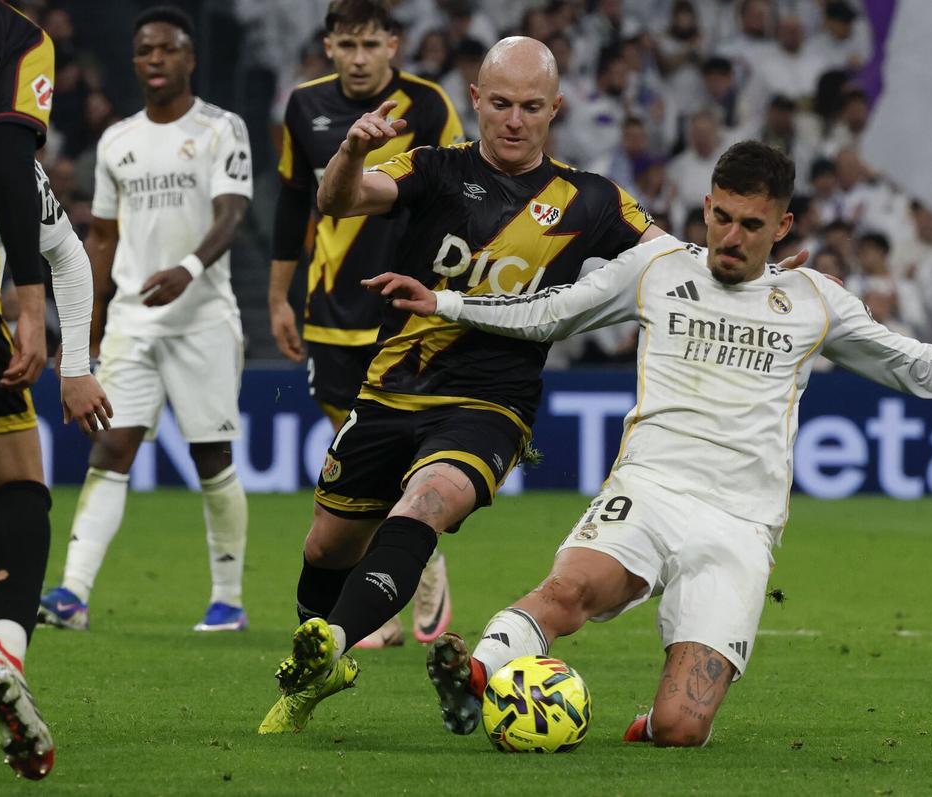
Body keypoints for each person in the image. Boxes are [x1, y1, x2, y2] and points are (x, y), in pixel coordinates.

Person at [368, 140, 932, 746]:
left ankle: (640, 725)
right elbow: (549, 312)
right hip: (651, 487)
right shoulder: (656, 268)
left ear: (783, 226)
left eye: (751, 225)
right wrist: (446, 300)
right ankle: (473, 675)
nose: (731, 237)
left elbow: (919, 367)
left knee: (682, 729)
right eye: (721, 217)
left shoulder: (813, 301)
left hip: (739, 522)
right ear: (704, 207)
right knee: (570, 589)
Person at [257, 35, 663, 734]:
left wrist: (771, 276)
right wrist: (352, 150)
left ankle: (333, 643)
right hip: (393, 386)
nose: (513, 119)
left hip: (490, 402)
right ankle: (317, 664)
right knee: (326, 546)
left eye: (531, 106)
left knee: (425, 502)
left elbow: (674, 258)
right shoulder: (434, 169)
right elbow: (339, 199)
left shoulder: (590, 200)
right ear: (475, 100)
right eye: (499, 102)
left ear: (555, 108)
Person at [38, 5, 253, 634]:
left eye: (166, 49)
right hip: (134, 316)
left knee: (211, 454)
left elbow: (233, 211)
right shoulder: (118, 139)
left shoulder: (222, 128)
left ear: (189, 57)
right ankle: (72, 594)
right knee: (112, 447)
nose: (153, 60)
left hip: (203, 318)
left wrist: (188, 267)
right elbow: (101, 237)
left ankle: (228, 600)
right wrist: (92, 323)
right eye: (143, 51)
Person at [268, 0, 464, 650]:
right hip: (329, 309)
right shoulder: (304, 107)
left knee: (398, 457)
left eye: (370, 45)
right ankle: (394, 586)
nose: (358, 58)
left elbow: (463, 196)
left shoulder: (429, 105)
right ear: (328, 46)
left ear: (393, 45)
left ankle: (409, 573)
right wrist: (277, 296)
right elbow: (294, 201)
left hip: (406, 310)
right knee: (356, 463)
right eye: (346, 44)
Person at [0, 1, 112, 779]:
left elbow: (68, 250)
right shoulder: (15, 39)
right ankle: (4, 647)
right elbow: (10, 160)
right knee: (19, 488)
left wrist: (75, 365)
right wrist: (38, 320)